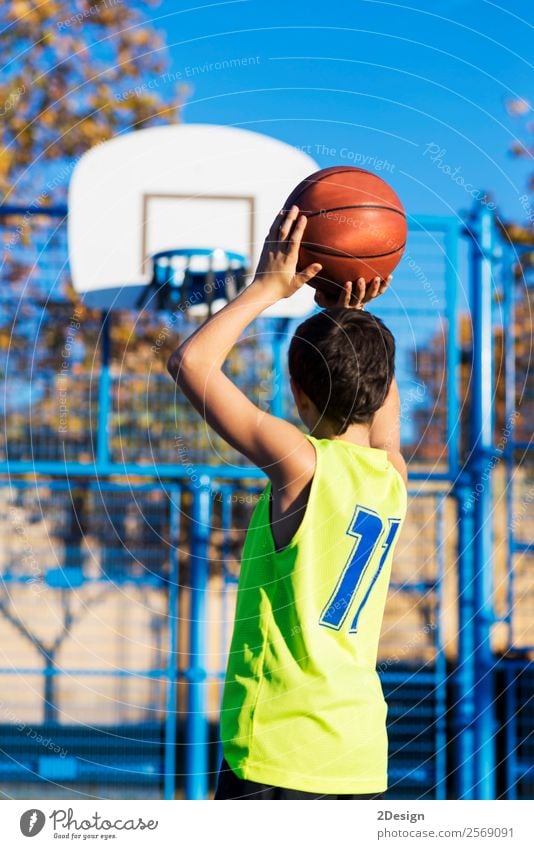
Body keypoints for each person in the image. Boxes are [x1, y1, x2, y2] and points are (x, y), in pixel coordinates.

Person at [167, 205, 408, 800]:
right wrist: (351, 315)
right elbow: (383, 418)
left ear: (298, 394)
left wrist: (266, 289)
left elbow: (190, 363)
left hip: (278, 751)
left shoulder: (301, 465)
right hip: (357, 754)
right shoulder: (393, 476)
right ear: (380, 388)